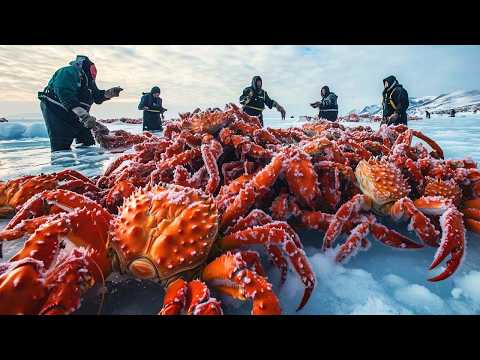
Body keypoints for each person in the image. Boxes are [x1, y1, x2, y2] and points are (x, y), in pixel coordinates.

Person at [38, 55, 122, 151]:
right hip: (57, 111)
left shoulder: (89, 81)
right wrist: (84, 116)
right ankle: (62, 164)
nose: (94, 72)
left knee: (87, 143)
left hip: (77, 115)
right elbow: (64, 92)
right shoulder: (69, 71)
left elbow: (97, 96)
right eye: (92, 69)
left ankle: (85, 163)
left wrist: (109, 93)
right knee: (61, 147)